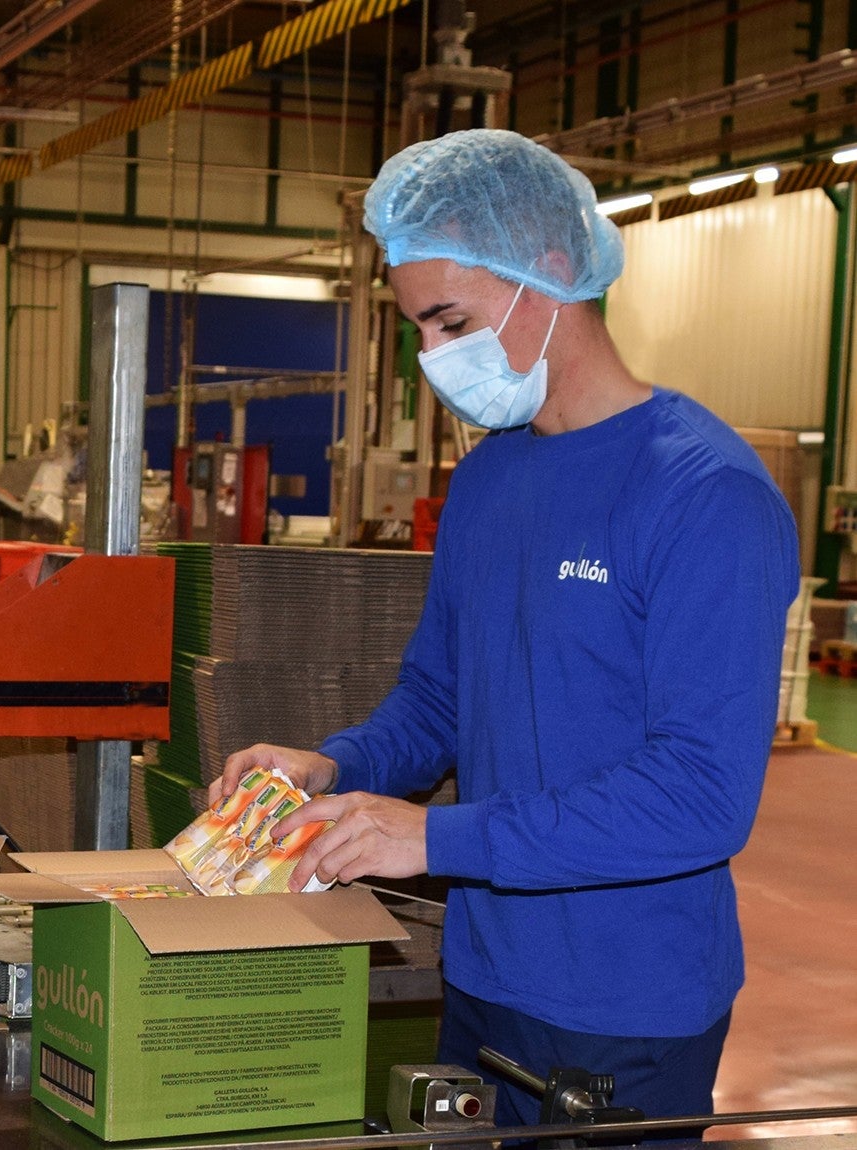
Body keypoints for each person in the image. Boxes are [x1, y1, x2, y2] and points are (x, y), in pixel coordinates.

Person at [211, 129, 799, 1131]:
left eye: (451, 320)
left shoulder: (703, 497)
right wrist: (335, 763)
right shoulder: (488, 480)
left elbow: (700, 795)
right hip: (484, 977)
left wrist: (434, 835)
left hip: (627, 1007)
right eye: (419, 329)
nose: (436, 358)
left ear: (551, 270)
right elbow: (441, 697)